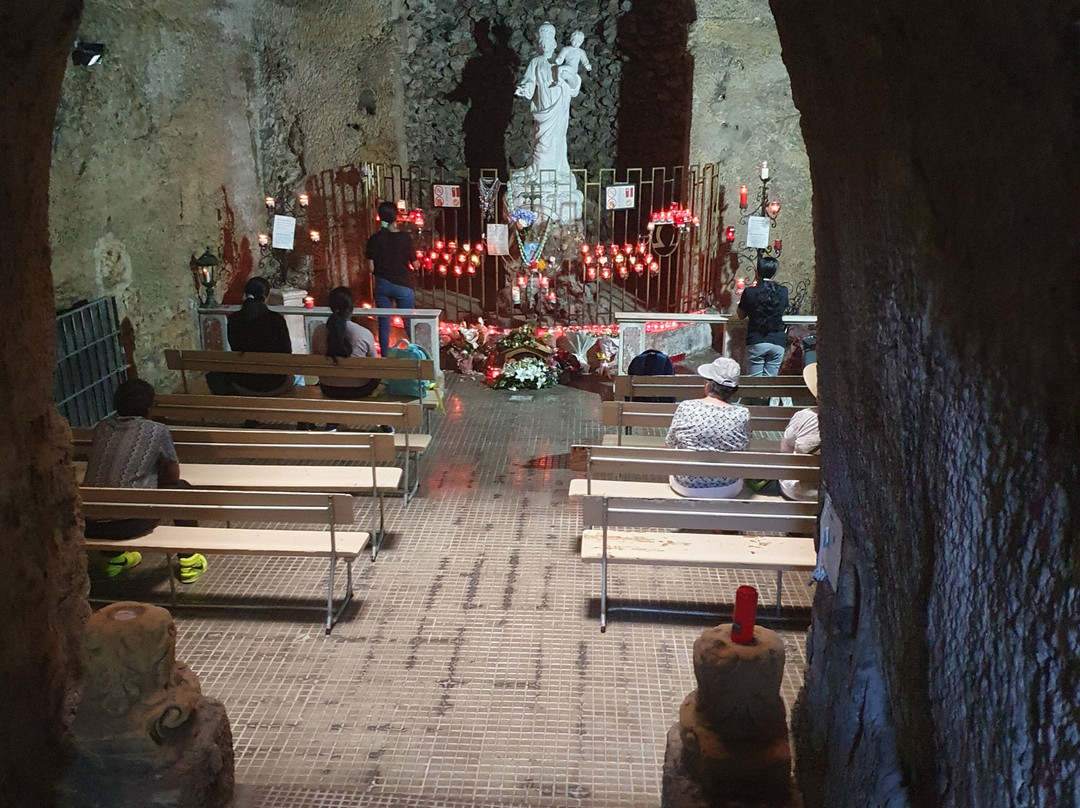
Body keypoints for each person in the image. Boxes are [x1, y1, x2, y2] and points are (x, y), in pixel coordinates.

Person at [82, 379, 207, 582]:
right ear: (149, 408)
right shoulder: (157, 430)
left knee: (109, 488)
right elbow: (172, 476)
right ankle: (189, 560)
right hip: (132, 523)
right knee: (180, 489)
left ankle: (112, 560)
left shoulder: (102, 427)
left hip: (91, 523)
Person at [664, 357, 751, 498]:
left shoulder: (686, 407)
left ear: (708, 385)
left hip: (686, 485)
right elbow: (743, 450)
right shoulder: (742, 414)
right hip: (727, 487)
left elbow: (669, 445)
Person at [515, 22, 581, 180]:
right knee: (541, 139)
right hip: (543, 105)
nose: (545, 46)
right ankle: (538, 172)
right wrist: (525, 88)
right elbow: (529, 80)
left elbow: (574, 85)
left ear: (554, 43)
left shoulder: (561, 61)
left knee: (554, 140)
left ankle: (551, 175)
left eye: (548, 43)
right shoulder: (536, 62)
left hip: (559, 103)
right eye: (542, 43)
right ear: (539, 45)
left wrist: (568, 76)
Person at [207, 275, 294, 396]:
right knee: (296, 377)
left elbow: (235, 348)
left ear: (245, 294)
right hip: (275, 382)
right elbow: (287, 352)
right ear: (266, 297)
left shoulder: (234, 319)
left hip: (242, 381)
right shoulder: (276, 319)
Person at [310, 286, 379, 399]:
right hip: (360, 389)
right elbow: (376, 366)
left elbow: (315, 358)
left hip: (329, 388)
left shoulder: (319, 331)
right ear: (351, 308)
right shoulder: (364, 333)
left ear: (331, 307)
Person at [366, 201, 416, 354]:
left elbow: (370, 267)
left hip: (382, 285)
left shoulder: (374, 239)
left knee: (384, 323)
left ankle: (386, 358)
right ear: (397, 218)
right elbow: (416, 264)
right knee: (409, 322)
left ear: (380, 217)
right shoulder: (405, 239)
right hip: (403, 285)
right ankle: (417, 354)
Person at [737, 255, 790, 376]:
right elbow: (783, 310)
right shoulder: (783, 291)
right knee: (769, 385)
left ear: (757, 271)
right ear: (774, 272)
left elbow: (740, 315)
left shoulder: (750, 292)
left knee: (755, 385)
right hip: (778, 341)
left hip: (756, 340)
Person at [778, 362, 820, 501]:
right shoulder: (854, 422)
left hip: (796, 489)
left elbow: (785, 451)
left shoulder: (804, 417)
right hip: (830, 491)